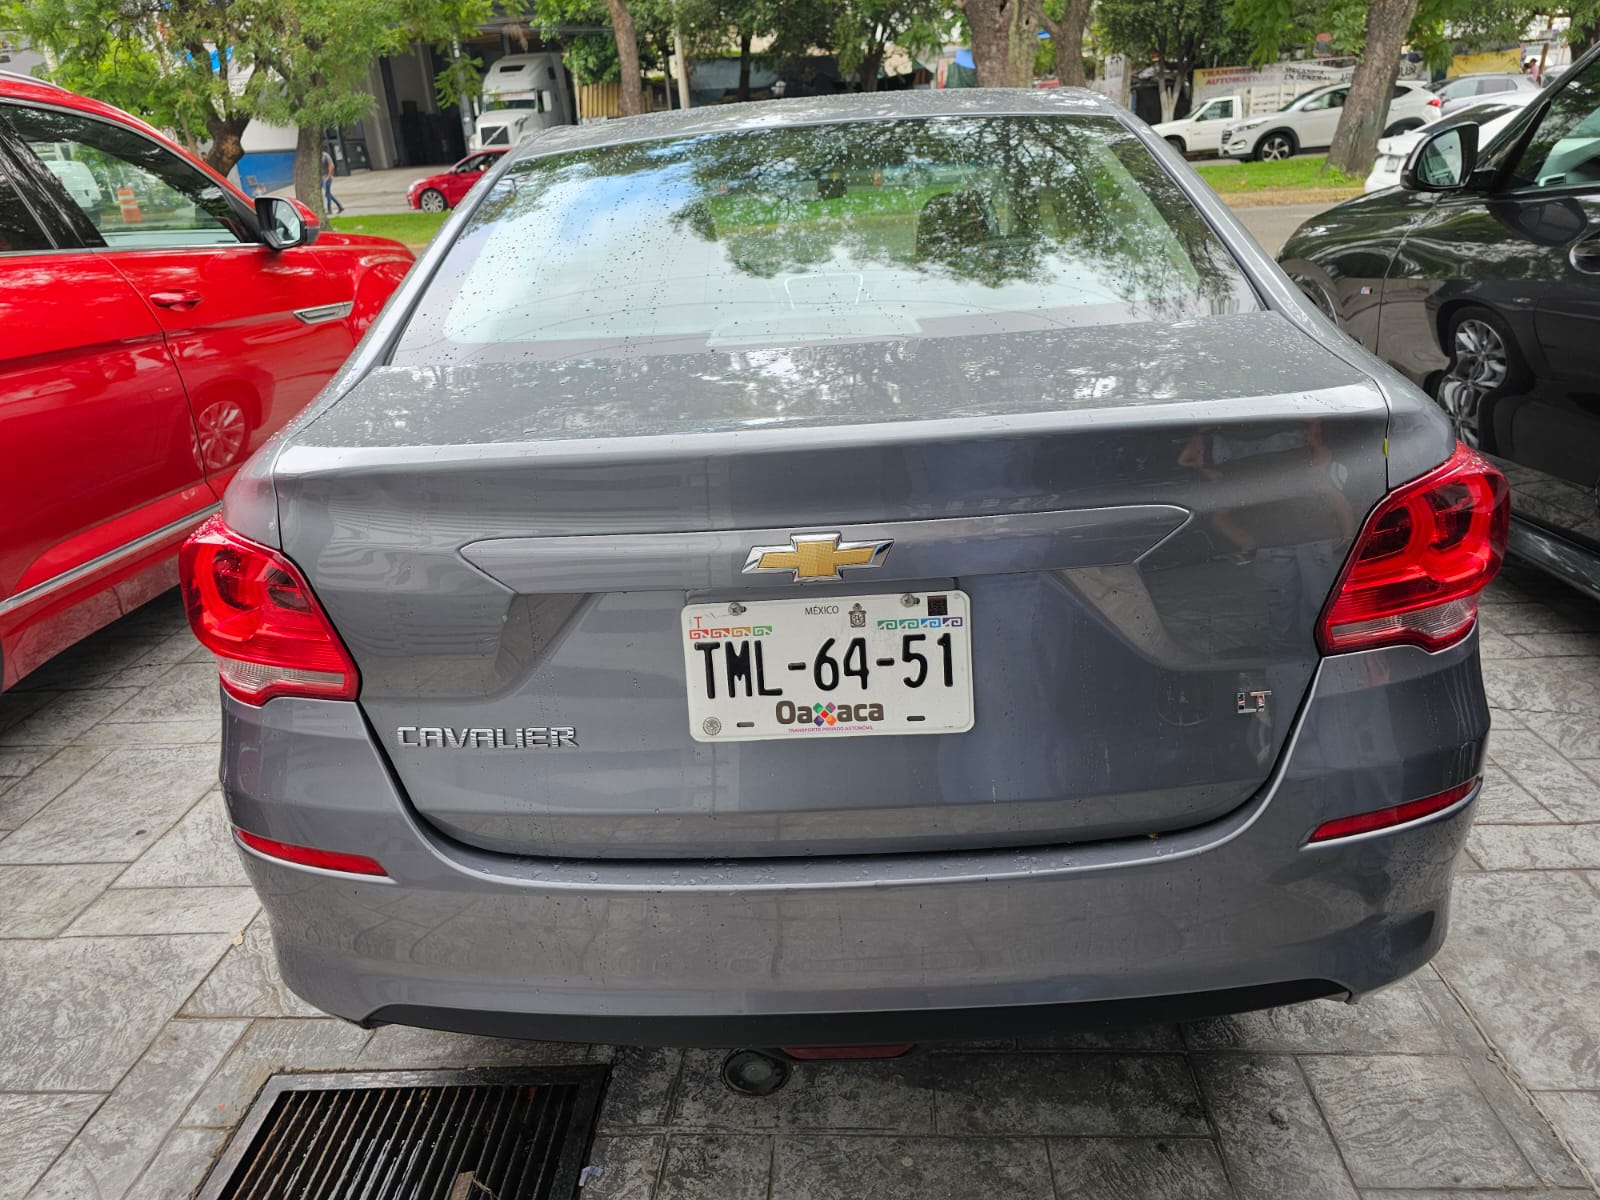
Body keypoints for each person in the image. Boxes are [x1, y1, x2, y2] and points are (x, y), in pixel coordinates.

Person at [321, 149, 344, 215]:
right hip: (320, 177)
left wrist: (329, 176)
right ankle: (339, 206)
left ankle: (329, 210)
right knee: (327, 194)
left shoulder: (325, 155)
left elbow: (331, 165)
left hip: (326, 177)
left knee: (327, 194)